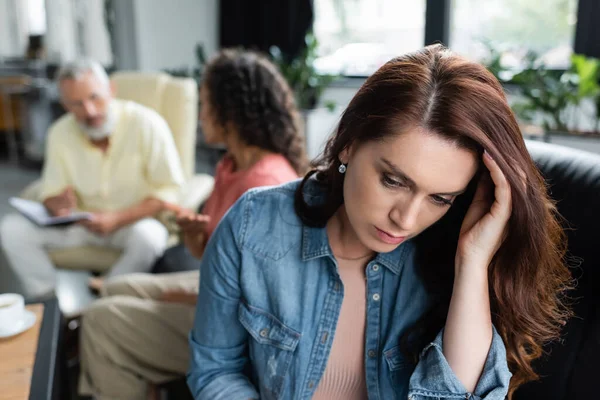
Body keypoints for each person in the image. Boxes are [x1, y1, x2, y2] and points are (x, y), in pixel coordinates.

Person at [187, 45, 573, 400]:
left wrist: (472, 262)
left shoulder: (447, 259)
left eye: (440, 198)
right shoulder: (254, 225)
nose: (405, 219)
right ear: (349, 143)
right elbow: (215, 370)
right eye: (393, 180)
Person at [78, 49, 308, 400]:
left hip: (239, 328)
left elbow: (262, 305)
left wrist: (184, 297)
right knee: (115, 288)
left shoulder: (265, 187)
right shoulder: (229, 166)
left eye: (205, 104)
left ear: (229, 111)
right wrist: (194, 237)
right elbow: (215, 259)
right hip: (216, 291)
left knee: (99, 321)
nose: (200, 116)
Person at [0, 59, 185, 300]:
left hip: (130, 222)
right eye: (76, 103)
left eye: (95, 98)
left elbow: (169, 189)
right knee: (11, 230)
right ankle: (50, 304)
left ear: (112, 91)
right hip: (81, 225)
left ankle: (108, 294)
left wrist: (117, 218)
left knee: (150, 237)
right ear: (65, 105)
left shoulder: (147, 124)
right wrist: (57, 204)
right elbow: (50, 193)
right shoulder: (59, 133)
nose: (89, 111)